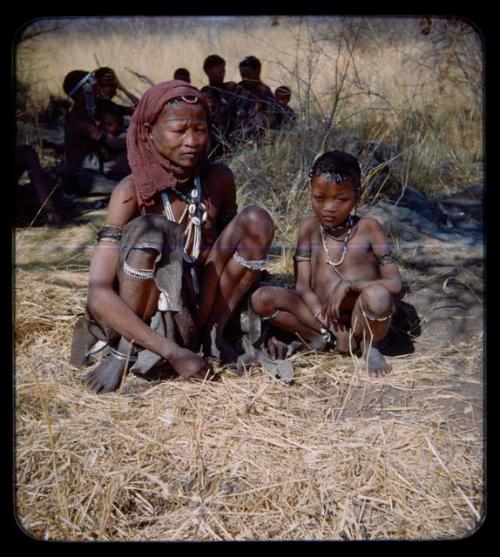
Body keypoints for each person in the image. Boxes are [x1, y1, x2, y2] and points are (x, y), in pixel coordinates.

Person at [70, 79, 275, 393]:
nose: (192, 141)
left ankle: (214, 335)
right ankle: (125, 351)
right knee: (154, 230)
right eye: (179, 131)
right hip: (149, 317)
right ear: (149, 132)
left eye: (200, 129)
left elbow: (227, 252)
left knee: (256, 220)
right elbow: (98, 293)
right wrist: (172, 353)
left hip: (201, 306)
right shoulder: (130, 193)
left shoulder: (218, 179)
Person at [250, 150, 402, 377]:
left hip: (361, 316)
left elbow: (394, 284)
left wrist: (350, 285)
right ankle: (320, 338)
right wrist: (328, 324)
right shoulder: (308, 228)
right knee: (261, 298)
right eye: (319, 198)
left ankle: (369, 345)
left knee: (378, 295)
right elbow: (302, 286)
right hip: (320, 316)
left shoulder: (370, 228)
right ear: (310, 192)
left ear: (357, 195)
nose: (329, 207)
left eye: (341, 199)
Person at [61, 70, 129, 196]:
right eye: (93, 88)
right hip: (84, 178)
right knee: (127, 190)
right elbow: (115, 143)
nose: (98, 92)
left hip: (92, 172)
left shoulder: (85, 114)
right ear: (82, 94)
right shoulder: (80, 121)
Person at [16, 145, 63, 226]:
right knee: (52, 186)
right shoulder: (25, 152)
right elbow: (38, 181)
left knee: (51, 185)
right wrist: (50, 210)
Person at [233, 55, 275, 141]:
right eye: (242, 76)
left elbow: (269, 119)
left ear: (258, 72)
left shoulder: (263, 91)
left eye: (248, 75)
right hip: (236, 135)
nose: (245, 79)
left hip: (256, 137)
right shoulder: (239, 89)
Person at [95, 106, 131, 180]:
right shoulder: (103, 141)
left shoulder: (124, 137)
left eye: (109, 124)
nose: (105, 127)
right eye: (103, 123)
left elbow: (115, 143)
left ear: (119, 126)